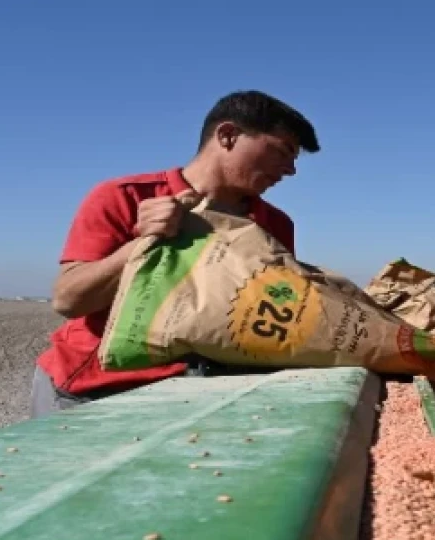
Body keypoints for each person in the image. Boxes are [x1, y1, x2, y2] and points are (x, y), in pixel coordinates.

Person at [30, 90, 321, 418]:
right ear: (227, 135)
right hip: (91, 392)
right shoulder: (123, 197)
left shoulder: (275, 226)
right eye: (282, 151)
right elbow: (69, 301)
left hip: (202, 397)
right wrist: (144, 243)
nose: (290, 170)